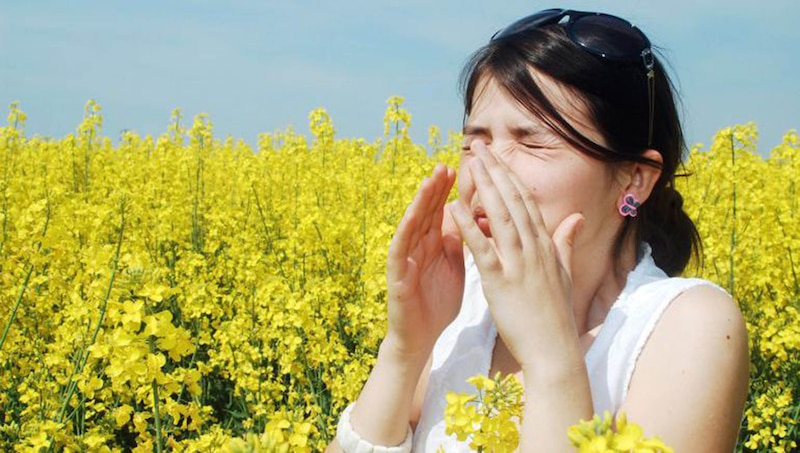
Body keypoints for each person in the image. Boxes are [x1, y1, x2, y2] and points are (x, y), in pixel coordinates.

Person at [327, 8, 749, 452]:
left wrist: (551, 361)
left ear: (635, 179)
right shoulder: (461, 307)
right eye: (474, 143)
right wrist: (404, 349)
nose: (486, 168)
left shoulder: (688, 327)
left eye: (531, 142)